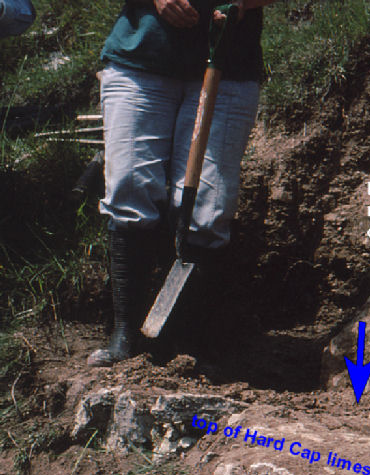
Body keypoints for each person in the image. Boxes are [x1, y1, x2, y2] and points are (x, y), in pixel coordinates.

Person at [89, 0, 278, 367]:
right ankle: (124, 333)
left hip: (228, 67)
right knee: (130, 191)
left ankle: (176, 341)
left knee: (207, 210)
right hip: (141, 59)